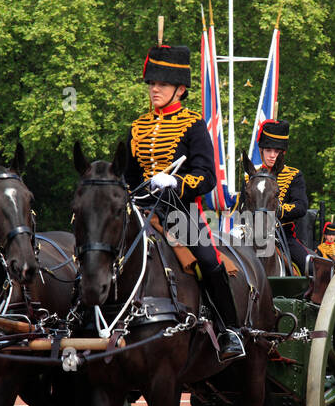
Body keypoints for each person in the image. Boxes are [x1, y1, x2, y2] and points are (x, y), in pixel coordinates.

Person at [122, 44, 243, 360]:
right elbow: (128, 175)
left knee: (208, 261)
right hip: (142, 208)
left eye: (161, 83)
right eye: (151, 83)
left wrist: (176, 182)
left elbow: (206, 177)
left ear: (180, 88)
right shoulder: (138, 127)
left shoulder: (193, 124)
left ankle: (230, 330)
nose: (154, 89)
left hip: (180, 211)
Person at [252, 119, 312, 273]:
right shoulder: (251, 177)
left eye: (277, 152)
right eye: (268, 151)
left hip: (283, 235)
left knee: (310, 267)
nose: (272, 156)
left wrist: (279, 210)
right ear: (261, 151)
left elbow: (301, 206)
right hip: (253, 234)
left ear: (283, 153)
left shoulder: (294, 175)